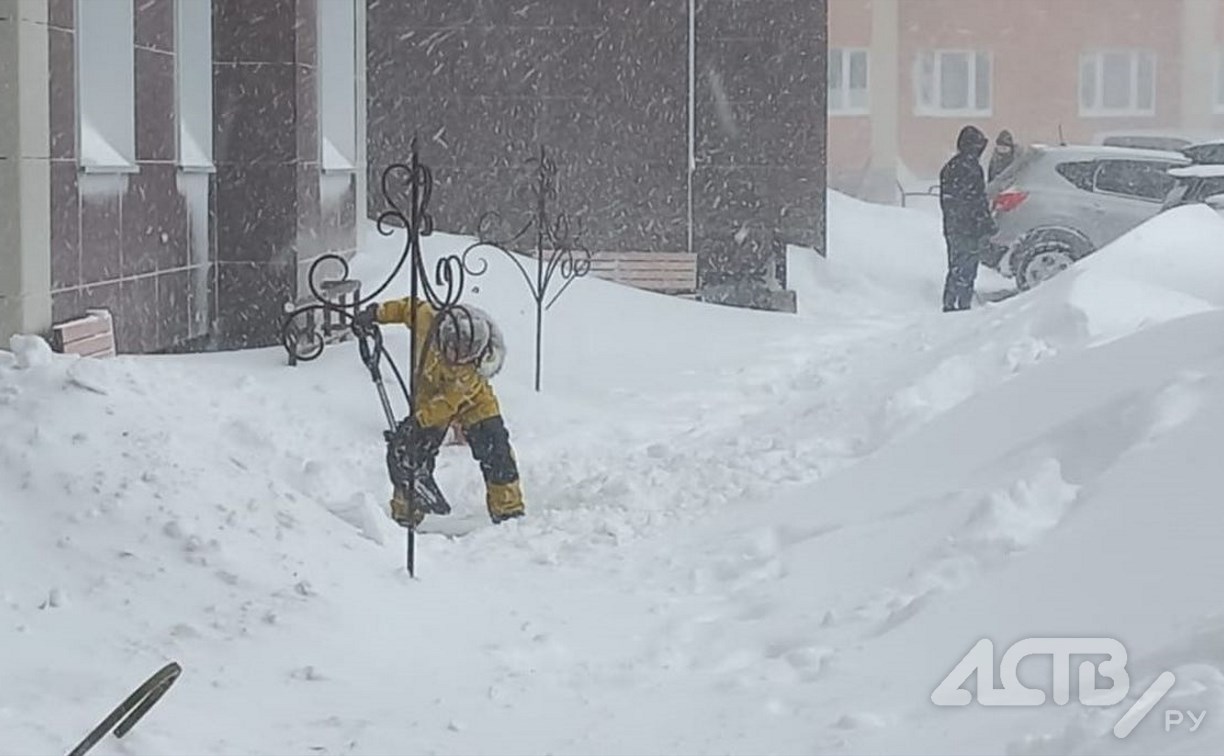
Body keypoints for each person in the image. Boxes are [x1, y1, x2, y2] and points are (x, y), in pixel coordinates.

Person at [354, 297, 524, 527]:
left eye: (466, 355)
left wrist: (417, 422)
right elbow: (406, 308)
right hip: (428, 399)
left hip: (474, 403)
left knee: (496, 450)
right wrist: (376, 314)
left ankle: (508, 511)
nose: (457, 359)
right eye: (455, 350)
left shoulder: (474, 369)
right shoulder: (428, 320)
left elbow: (447, 404)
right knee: (412, 455)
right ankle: (405, 514)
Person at [939, 125, 997, 312]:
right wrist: (986, 223)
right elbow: (977, 200)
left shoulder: (950, 168)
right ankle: (963, 304)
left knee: (956, 265)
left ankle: (950, 302)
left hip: (953, 226)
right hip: (969, 227)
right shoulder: (972, 169)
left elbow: (951, 200)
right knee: (968, 266)